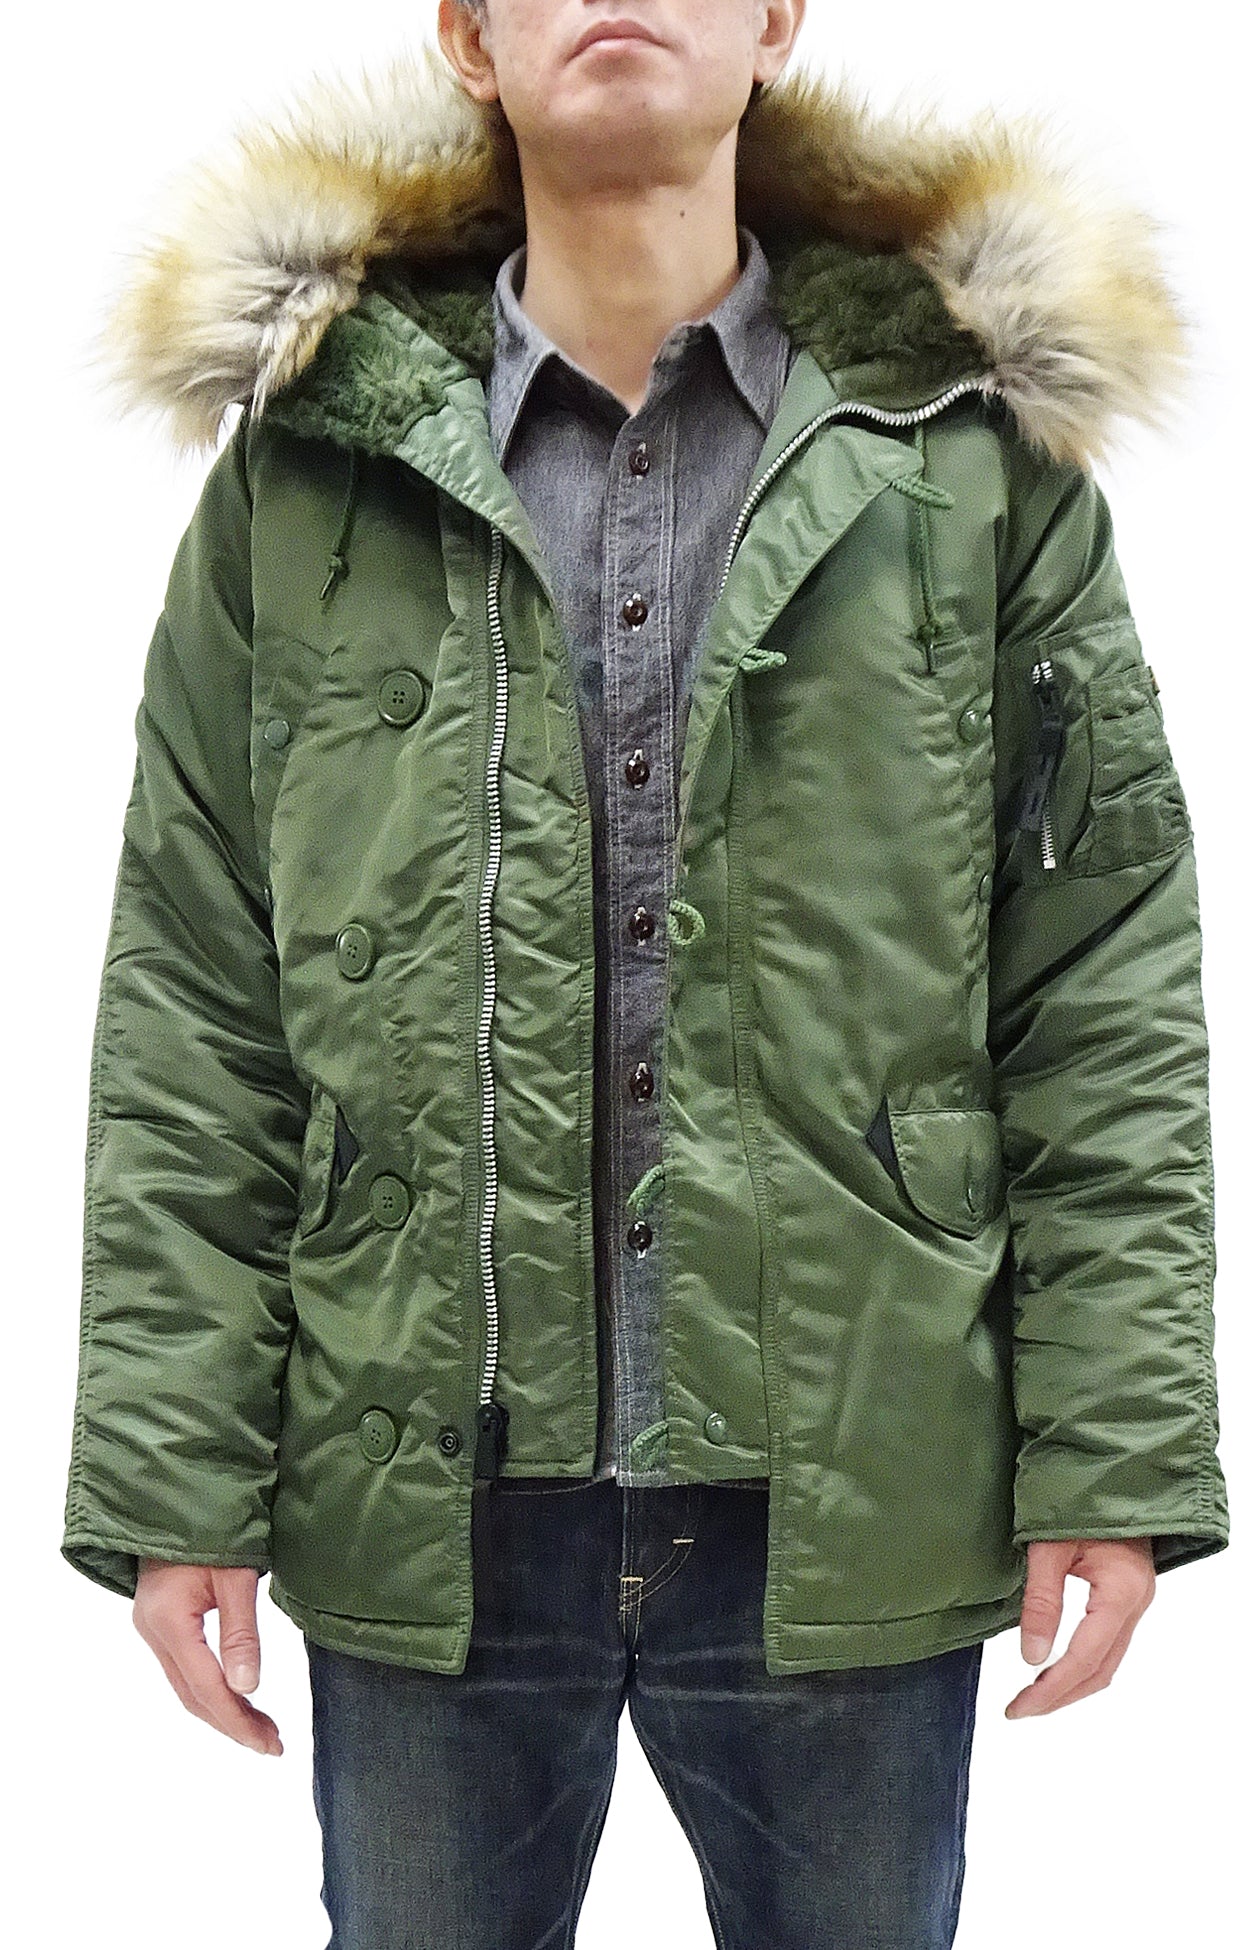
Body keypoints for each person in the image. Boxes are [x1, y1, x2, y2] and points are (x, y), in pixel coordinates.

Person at [61, 3, 1229, 1945]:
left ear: (773, 22)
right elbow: (196, 998)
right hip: (419, 1478)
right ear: (468, 37)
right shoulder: (304, 483)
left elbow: (1097, 983)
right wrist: (175, 1476)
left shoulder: (968, 467)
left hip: (850, 1469)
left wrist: (1109, 1449)